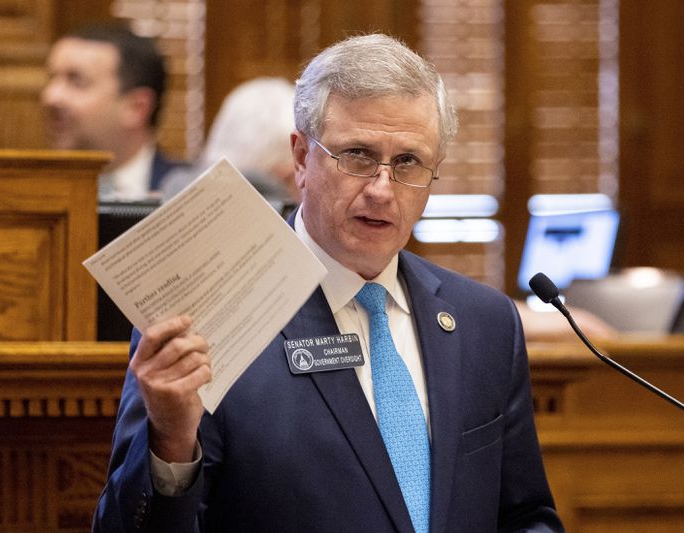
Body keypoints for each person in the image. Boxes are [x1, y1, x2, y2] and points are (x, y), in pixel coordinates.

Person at [93, 34, 563, 532]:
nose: (382, 190)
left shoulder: (483, 321)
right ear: (300, 159)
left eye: (407, 162)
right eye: (358, 155)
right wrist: (171, 441)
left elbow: (525, 516)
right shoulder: (204, 321)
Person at [41, 23, 182, 201]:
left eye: (76, 82)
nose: (50, 97)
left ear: (136, 107)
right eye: (51, 78)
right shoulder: (31, 192)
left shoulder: (190, 197)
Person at [161, 77, 299, 215]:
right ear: (280, 174)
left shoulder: (173, 197)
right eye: (292, 175)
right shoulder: (277, 210)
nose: (302, 183)